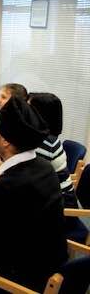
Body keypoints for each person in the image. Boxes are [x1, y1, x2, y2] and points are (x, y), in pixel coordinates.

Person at [0, 97, 68, 293]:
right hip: (45, 266)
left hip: (11, 282)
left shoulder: (4, 188)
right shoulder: (44, 168)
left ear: (6, 141)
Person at [28, 92, 88, 243]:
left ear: (39, 115)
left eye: (28, 109)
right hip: (55, 200)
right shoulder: (48, 139)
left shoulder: (43, 144)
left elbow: (27, 180)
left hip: (58, 212)